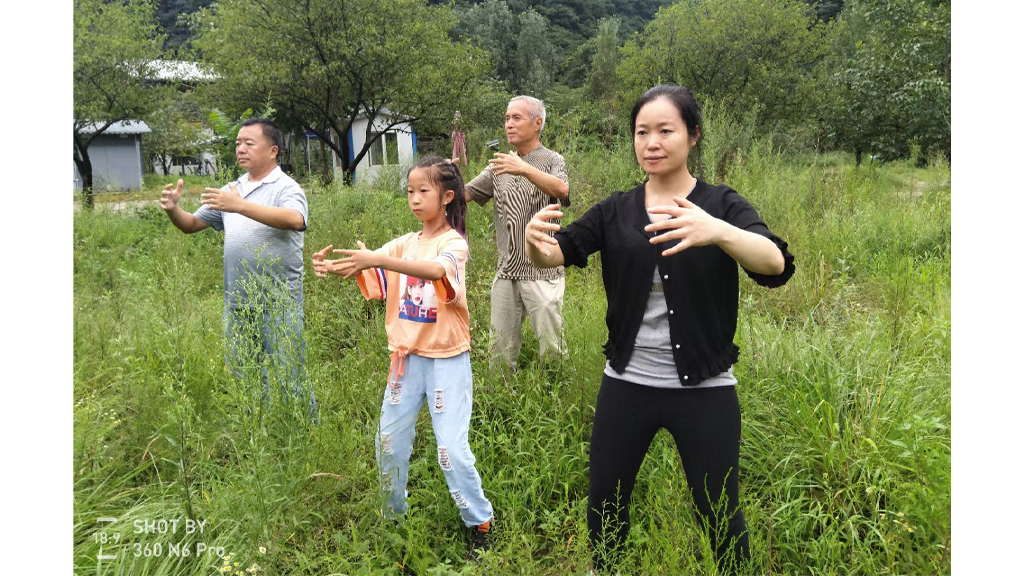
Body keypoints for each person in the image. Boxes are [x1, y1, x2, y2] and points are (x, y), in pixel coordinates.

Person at [525, 85, 795, 574]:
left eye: (665, 130)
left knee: (718, 509)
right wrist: (535, 243)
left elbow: (774, 263)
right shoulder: (616, 210)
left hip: (705, 388)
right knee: (605, 501)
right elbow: (559, 251)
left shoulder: (721, 203)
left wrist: (719, 231)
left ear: (692, 136)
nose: (652, 142)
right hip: (627, 384)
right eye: (642, 132)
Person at [311, 157, 495, 557]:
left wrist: (378, 259)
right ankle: (392, 519)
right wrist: (335, 265)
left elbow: (434, 271)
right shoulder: (403, 243)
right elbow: (372, 273)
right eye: (410, 191)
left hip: (446, 360)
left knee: (450, 450)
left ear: (447, 197)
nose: (414, 198)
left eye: (423, 191)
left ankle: (480, 522)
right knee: (389, 443)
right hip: (405, 361)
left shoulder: (454, 244)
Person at [160, 117, 317, 419]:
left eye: (249, 143)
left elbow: (295, 220)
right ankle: (260, 434)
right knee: (247, 377)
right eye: (237, 143)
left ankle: (305, 435)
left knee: (290, 376)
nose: (241, 149)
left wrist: (240, 205)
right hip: (238, 302)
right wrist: (173, 210)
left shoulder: (286, 187)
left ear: (273, 150)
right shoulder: (231, 190)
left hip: (278, 302)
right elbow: (191, 225)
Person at [464, 95, 570, 370]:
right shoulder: (499, 165)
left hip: (543, 268)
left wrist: (524, 168)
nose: (509, 124)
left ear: (537, 123)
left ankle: (559, 396)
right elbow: (465, 194)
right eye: (507, 119)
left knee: (553, 347)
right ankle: (499, 403)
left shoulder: (552, 160)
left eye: (516, 118)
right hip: (507, 269)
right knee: (498, 349)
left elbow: (562, 190)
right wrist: (443, 175)